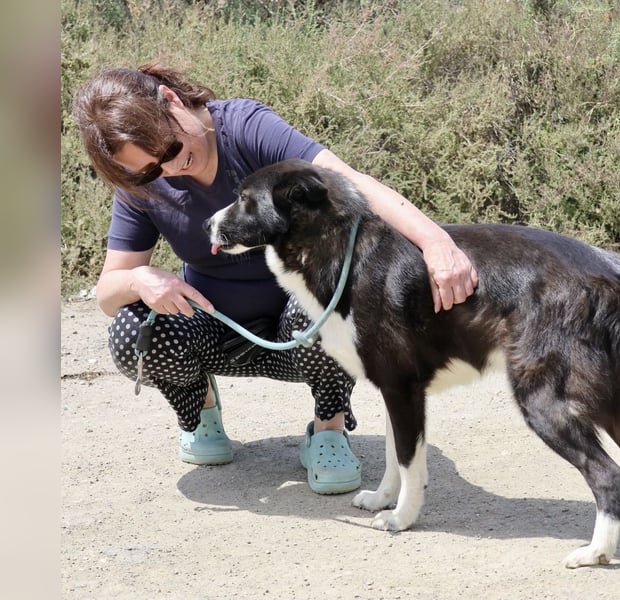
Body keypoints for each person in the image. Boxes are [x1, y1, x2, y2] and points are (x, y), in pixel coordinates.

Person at [72, 62, 478, 495]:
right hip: (217, 330)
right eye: (150, 170)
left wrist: (436, 242)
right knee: (132, 328)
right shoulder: (145, 186)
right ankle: (200, 409)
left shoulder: (245, 127)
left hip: (297, 331)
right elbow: (108, 292)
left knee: (332, 302)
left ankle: (329, 429)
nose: (169, 171)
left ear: (171, 100)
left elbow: (348, 183)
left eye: (169, 150)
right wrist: (139, 279)